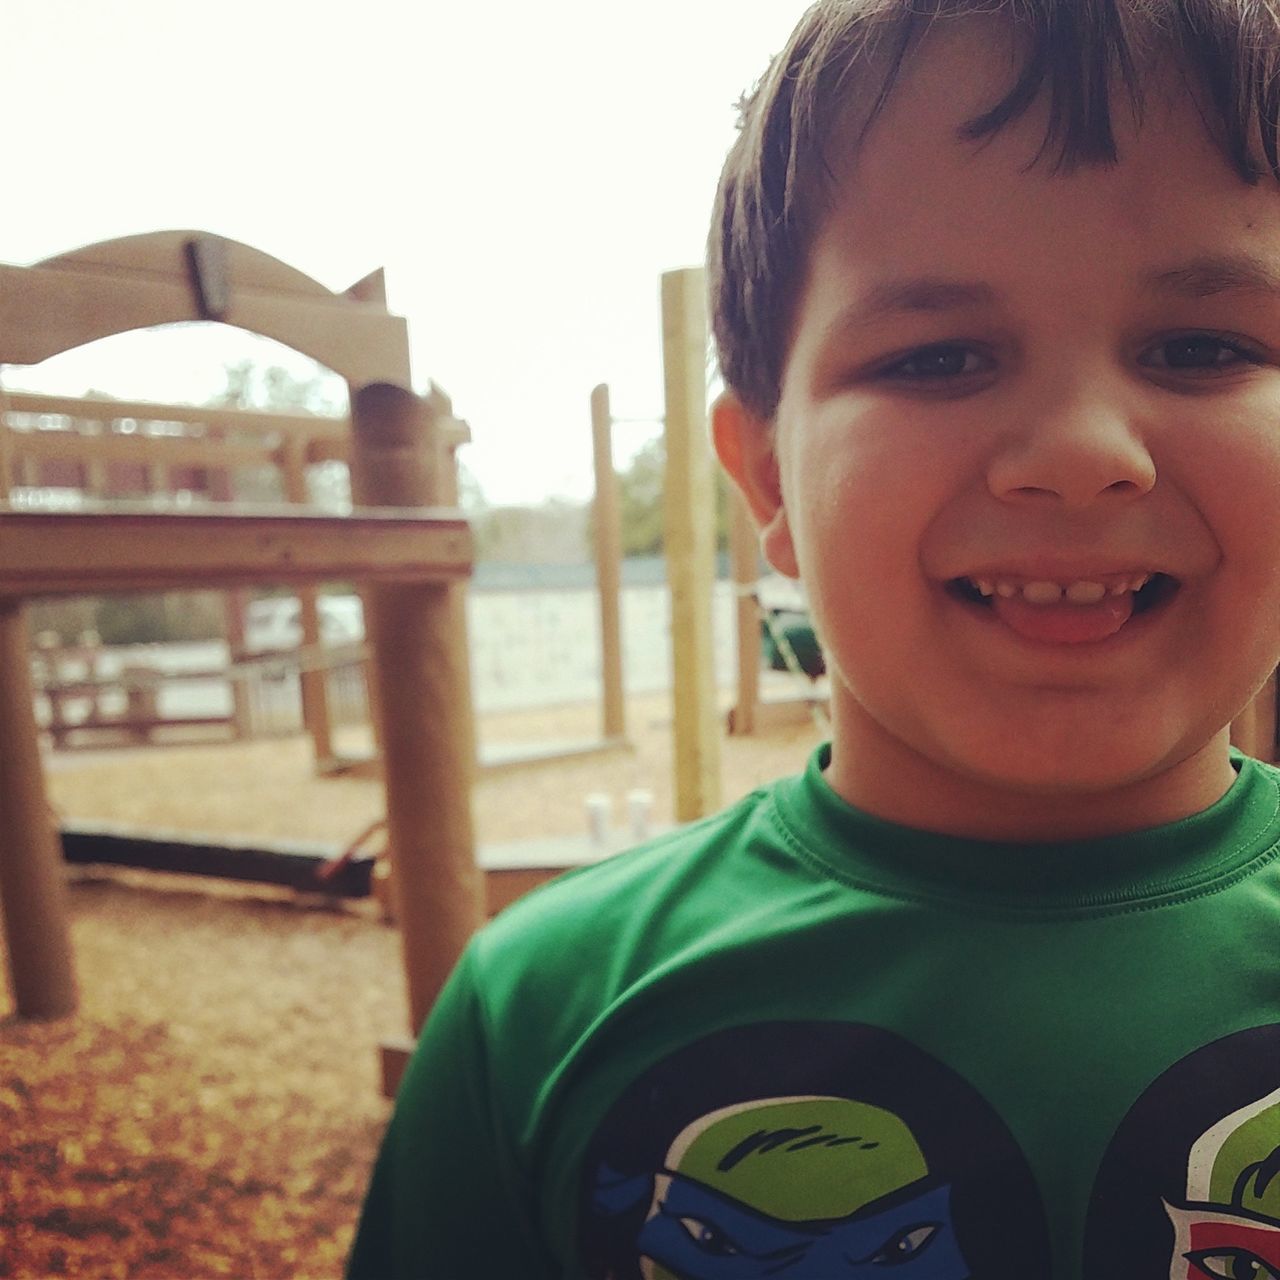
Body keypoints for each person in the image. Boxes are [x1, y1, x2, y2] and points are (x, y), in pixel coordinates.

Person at [348, 1, 1280, 1274]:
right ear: (768, 477)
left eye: (1201, 346)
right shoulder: (541, 1016)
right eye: (942, 355)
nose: (1078, 454)